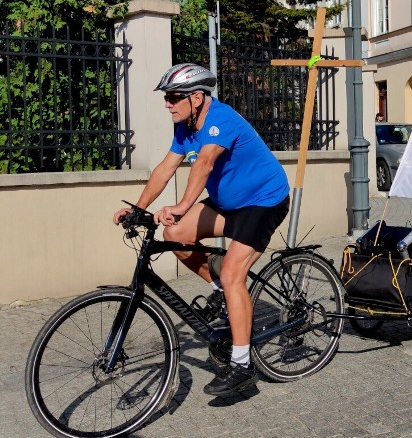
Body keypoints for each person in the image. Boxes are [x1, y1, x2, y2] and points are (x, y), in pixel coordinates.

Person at [112, 63, 291, 397]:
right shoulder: (185, 126)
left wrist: (180, 206)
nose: (168, 103)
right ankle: (222, 291)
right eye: (166, 97)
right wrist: (138, 209)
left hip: (264, 201)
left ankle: (242, 364)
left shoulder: (220, 119)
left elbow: (205, 163)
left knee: (234, 274)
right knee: (176, 236)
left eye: (174, 97)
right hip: (229, 204)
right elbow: (166, 168)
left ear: (197, 97)